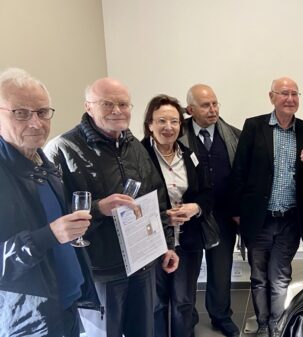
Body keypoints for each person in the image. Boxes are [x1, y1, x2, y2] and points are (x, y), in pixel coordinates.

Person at [45, 77, 179, 337]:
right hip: (101, 271)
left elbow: (157, 199)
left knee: (143, 331)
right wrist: (98, 209)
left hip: (141, 265)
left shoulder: (135, 147)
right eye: (107, 104)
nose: (117, 110)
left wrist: (167, 245)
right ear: (88, 106)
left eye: (123, 104)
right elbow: (55, 218)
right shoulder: (62, 149)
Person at [0, 67, 96, 336]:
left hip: (67, 302)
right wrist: (47, 236)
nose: (36, 122)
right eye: (20, 113)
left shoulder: (44, 162)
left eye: (42, 112)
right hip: (31, 319)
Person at [230, 77, 303, 337]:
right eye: (284, 93)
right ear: (271, 97)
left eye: (295, 93)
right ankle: (263, 323)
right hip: (259, 218)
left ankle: (277, 327)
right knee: (259, 278)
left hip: (290, 218)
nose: (290, 99)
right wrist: (236, 211)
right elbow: (239, 170)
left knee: (280, 277)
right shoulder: (254, 126)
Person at [141, 94, 213, 337]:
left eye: (174, 121)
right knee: (156, 304)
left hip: (188, 240)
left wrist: (196, 208)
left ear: (181, 125)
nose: (168, 127)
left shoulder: (190, 155)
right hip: (153, 241)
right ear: (150, 124)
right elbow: (132, 202)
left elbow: (206, 193)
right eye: (161, 121)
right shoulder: (138, 157)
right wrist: (163, 217)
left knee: (184, 301)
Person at [180, 84, 241, 337]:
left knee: (221, 268)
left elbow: (241, 178)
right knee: (188, 272)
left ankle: (220, 315)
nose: (213, 109)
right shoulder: (176, 135)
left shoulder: (234, 136)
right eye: (206, 105)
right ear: (190, 109)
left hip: (224, 215)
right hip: (190, 217)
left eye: (215, 103)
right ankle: (187, 318)